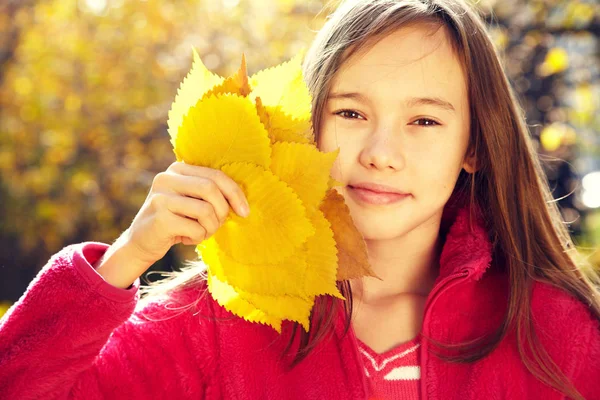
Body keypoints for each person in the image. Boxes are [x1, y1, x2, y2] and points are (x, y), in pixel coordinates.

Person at [1, 0, 599, 398]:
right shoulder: (216, 321)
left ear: (475, 146)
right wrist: (126, 259)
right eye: (350, 112)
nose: (381, 152)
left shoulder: (554, 333)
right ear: (308, 124)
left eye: (424, 122)